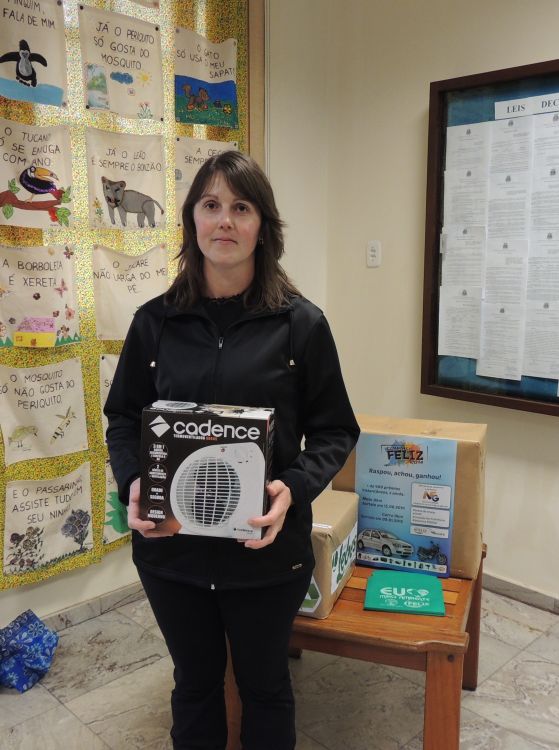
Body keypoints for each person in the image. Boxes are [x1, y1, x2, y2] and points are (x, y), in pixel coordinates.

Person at [105, 150, 359, 750]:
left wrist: (293, 489)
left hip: (267, 556)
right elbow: (123, 417)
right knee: (194, 685)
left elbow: (335, 431)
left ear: (262, 226)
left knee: (265, 688)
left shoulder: (301, 325)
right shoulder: (154, 323)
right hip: (171, 555)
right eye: (211, 205)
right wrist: (134, 480)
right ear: (192, 220)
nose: (225, 220)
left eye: (241, 207)